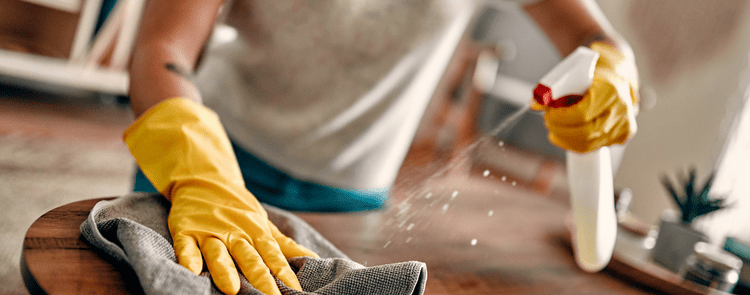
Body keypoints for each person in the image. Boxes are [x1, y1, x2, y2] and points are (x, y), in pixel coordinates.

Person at [124, 0, 639, 294]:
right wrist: (202, 173)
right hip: (200, 163)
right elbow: (163, 45)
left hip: (349, 204)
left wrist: (615, 70)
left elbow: (597, 36)